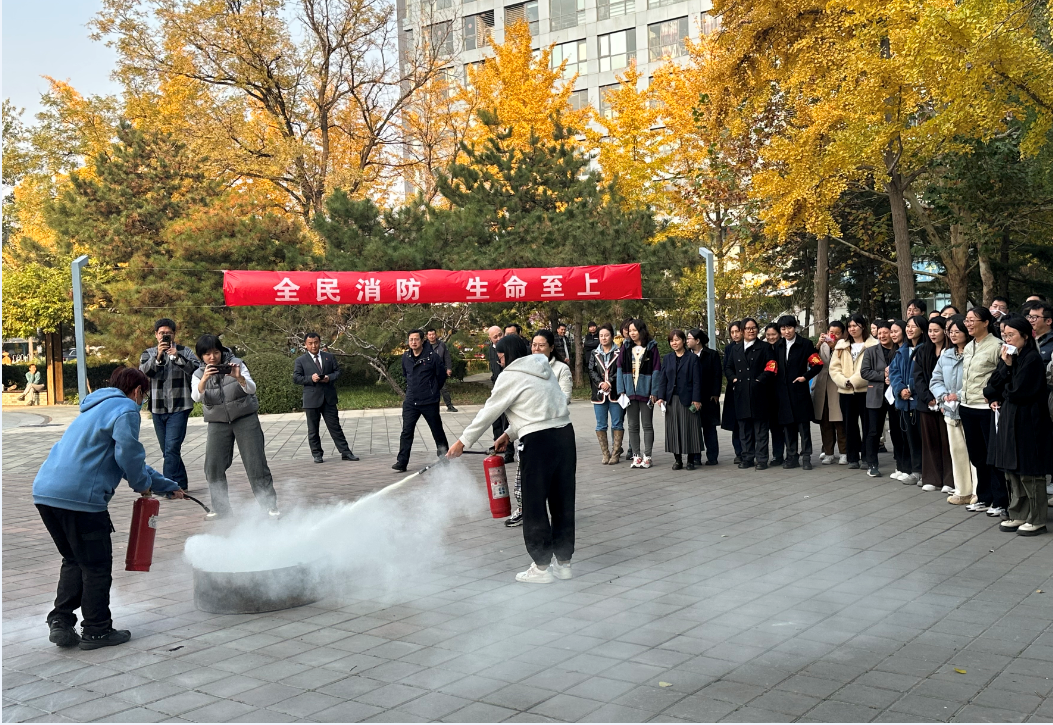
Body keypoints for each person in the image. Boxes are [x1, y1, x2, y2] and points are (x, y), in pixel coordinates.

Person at [33, 367, 185, 650]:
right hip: (81, 499)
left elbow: (127, 461)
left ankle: (61, 621)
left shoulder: (93, 408)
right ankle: (97, 630)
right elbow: (128, 456)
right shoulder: (126, 409)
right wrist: (142, 486)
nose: (142, 401)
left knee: (74, 559)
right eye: (144, 395)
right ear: (138, 391)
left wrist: (166, 486)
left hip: (45, 493)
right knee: (96, 566)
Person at [447, 335, 575, 583]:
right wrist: (509, 434)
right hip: (565, 437)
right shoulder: (543, 369)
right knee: (562, 501)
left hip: (538, 443)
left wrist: (462, 442)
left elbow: (489, 411)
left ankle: (541, 567)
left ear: (510, 355)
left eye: (501, 356)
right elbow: (541, 409)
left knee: (534, 504)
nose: (499, 362)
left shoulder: (510, 375)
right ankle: (564, 563)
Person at [191, 335, 279, 519]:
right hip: (217, 421)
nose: (212, 357)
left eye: (216, 352)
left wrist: (239, 377)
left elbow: (252, 389)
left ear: (221, 351)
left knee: (255, 463)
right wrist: (204, 379)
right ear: (201, 356)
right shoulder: (198, 373)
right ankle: (221, 509)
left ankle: (269, 506)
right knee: (213, 466)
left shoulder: (237, 364)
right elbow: (196, 397)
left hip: (244, 418)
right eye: (207, 354)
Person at [985, 316, 1052, 535]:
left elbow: (1018, 392)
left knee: (1029, 470)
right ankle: (1018, 513)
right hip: (1009, 417)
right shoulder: (1010, 356)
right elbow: (991, 386)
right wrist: (1006, 367)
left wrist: (1003, 389)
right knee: (1011, 469)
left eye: (1011, 335)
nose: (1007, 339)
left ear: (1025, 335)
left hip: (1029, 420)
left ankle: (1037, 518)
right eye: (1005, 335)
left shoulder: (1032, 359)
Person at [139, 318, 200, 491]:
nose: (164, 336)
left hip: (180, 406)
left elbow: (196, 370)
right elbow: (143, 374)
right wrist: (158, 356)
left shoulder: (185, 351)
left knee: (172, 447)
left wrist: (177, 357)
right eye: (161, 333)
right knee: (167, 450)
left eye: (168, 333)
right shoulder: (148, 353)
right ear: (156, 335)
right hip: (157, 407)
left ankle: (168, 487)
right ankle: (181, 484)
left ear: (174, 334)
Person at [961, 307, 1008, 517]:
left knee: (992, 456)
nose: (968, 324)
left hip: (986, 408)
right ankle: (983, 496)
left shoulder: (997, 346)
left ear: (986, 322)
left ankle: (1000, 500)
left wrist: (996, 397)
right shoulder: (969, 345)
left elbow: (1003, 375)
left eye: (973, 320)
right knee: (977, 456)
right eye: (967, 320)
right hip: (967, 406)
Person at [294, 333, 359, 464]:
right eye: (310, 343)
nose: (313, 346)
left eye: (316, 342)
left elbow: (338, 372)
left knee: (335, 427)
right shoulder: (300, 360)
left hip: (328, 398)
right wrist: (310, 379)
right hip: (311, 399)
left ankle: (345, 452)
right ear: (305, 345)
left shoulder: (328, 357)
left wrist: (329, 377)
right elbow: (296, 378)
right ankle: (317, 454)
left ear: (320, 342)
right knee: (313, 429)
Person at [930, 316, 976, 499]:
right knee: (957, 452)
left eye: (958, 331)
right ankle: (962, 491)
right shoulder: (946, 354)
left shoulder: (973, 352)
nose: (953, 335)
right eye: (951, 332)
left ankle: (977, 492)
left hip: (969, 406)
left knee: (975, 453)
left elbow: (977, 381)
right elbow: (936, 379)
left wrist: (959, 394)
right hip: (950, 409)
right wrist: (943, 396)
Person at [392, 329, 449, 472]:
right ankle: (402, 462)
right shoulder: (406, 357)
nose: (413, 342)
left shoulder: (432, 357)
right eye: (411, 339)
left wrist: (432, 389)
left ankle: (445, 457)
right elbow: (406, 375)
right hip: (411, 401)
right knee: (406, 431)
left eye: (416, 339)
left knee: (437, 430)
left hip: (429, 401)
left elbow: (441, 376)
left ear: (422, 341)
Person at [773, 315, 823, 470]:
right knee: (788, 428)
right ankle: (792, 457)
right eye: (783, 329)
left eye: (789, 327)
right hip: (783, 393)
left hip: (799, 392)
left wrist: (805, 377)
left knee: (803, 428)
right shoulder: (778, 346)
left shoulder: (805, 344)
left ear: (795, 327)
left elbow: (818, 364)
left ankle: (806, 457)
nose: (786, 331)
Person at [913, 317, 956, 497]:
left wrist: (941, 397)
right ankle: (932, 478)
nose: (932, 334)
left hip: (948, 402)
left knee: (947, 441)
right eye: (930, 331)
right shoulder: (923, 350)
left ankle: (950, 480)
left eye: (936, 330)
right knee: (930, 441)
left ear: (944, 332)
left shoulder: (952, 350)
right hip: (927, 403)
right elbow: (917, 377)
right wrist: (928, 398)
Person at [727, 318, 777, 470]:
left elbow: (771, 366)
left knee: (761, 429)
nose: (751, 330)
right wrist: (734, 379)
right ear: (742, 331)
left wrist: (759, 380)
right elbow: (728, 367)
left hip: (759, 393)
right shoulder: (735, 349)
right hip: (741, 393)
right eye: (748, 328)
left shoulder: (765, 347)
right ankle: (747, 458)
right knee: (744, 429)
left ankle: (761, 459)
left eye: (754, 328)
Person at [830, 313, 878, 470]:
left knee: (867, 425)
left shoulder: (873, 344)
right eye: (849, 326)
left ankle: (867, 457)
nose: (852, 329)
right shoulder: (841, 345)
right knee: (849, 425)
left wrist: (854, 381)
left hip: (866, 390)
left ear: (862, 326)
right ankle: (852, 457)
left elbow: (873, 368)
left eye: (855, 325)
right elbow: (834, 368)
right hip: (845, 391)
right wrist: (844, 381)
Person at [654, 330, 703, 470]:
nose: (674, 343)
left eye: (677, 340)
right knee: (674, 429)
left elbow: (697, 381)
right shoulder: (668, 358)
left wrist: (696, 399)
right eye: (671, 341)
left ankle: (691, 461)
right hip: (671, 399)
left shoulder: (692, 358)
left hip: (688, 399)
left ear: (683, 341)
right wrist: (661, 397)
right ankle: (678, 460)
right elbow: (663, 379)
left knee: (690, 429)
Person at [618, 319, 662, 469]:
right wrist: (621, 390)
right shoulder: (625, 347)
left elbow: (656, 370)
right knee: (632, 425)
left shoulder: (651, 347)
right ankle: (636, 456)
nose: (632, 333)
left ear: (641, 331)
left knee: (647, 425)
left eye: (634, 330)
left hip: (646, 392)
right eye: (630, 330)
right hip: (629, 392)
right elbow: (619, 368)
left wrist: (654, 391)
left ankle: (647, 456)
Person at [860, 321, 900, 478]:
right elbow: (865, 372)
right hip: (876, 394)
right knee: (873, 431)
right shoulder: (871, 351)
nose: (882, 336)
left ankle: (901, 463)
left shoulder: (899, 349)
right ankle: (872, 463)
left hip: (895, 395)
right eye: (880, 333)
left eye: (886, 332)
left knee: (897, 430)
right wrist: (883, 375)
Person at [888, 317, 925, 486]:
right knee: (910, 439)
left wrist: (911, 388)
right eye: (908, 326)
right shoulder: (901, 350)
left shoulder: (924, 349)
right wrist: (900, 389)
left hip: (919, 401)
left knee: (923, 439)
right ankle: (915, 471)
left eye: (913, 327)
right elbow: (894, 373)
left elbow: (921, 375)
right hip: (904, 402)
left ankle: (926, 472)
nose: (909, 329)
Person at [813, 322, 848, 465]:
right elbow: (813, 360)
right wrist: (818, 345)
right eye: (831, 332)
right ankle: (828, 452)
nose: (834, 336)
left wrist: (834, 347)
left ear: (843, 334)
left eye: (837, 333)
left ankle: (844, 452)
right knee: (825, 422)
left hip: (837, 386)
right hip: (823, 385)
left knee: (840, 422)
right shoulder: (823, 345)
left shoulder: (845, 346)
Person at [588, 324, 623, 465]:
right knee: (600, 425)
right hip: (599, 394)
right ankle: (605, 453)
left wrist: (610, 382)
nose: (603, 338)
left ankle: (616, 453)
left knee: (617, 423)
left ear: (612, 336)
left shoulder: (619, 352)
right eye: (601, 336)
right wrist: (601, 383)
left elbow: (620, 369)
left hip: (615, 393)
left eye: (606, 335)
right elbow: (591, 370)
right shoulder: (594, 353)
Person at [687, 328, 722, 466]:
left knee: (709, 428)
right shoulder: (687, 355)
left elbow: (717, 375)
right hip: (692, 397)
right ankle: (696, 457)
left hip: (708, 397)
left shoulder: (712, 354)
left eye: (689, 338)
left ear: (697, 340)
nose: (687, 341)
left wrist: (715, 393)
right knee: (694, 428)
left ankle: (712, 456)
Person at [762, 323, 787, 465]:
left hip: (784, 391)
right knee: (774, 426)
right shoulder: (764, 348)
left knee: (787, 426)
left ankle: (791, 453)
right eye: (768, 335)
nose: (771, 337)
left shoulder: (785, 347)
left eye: (774, 334)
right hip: (768, 393)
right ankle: (777, 455)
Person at [721, 321, 745, 463]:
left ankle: (750, 451)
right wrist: (734, 379)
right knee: (736, 423)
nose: (735, 335)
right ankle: (739, 452)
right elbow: (726, 367)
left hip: (749, 387)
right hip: (734, 388)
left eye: (737, 331)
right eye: (732, 332)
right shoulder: (729, 348)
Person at [426, 328, 458, 413]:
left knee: (444, 389)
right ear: (427, 336)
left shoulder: (441, 345)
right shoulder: (424, 345)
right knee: (427, 389)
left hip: (439, 370)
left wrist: (449, 368)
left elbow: (447, 357)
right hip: (428, 371)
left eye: (433, 334)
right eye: (430, 335)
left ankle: (449, 406)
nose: (432, 336)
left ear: (436, 335)